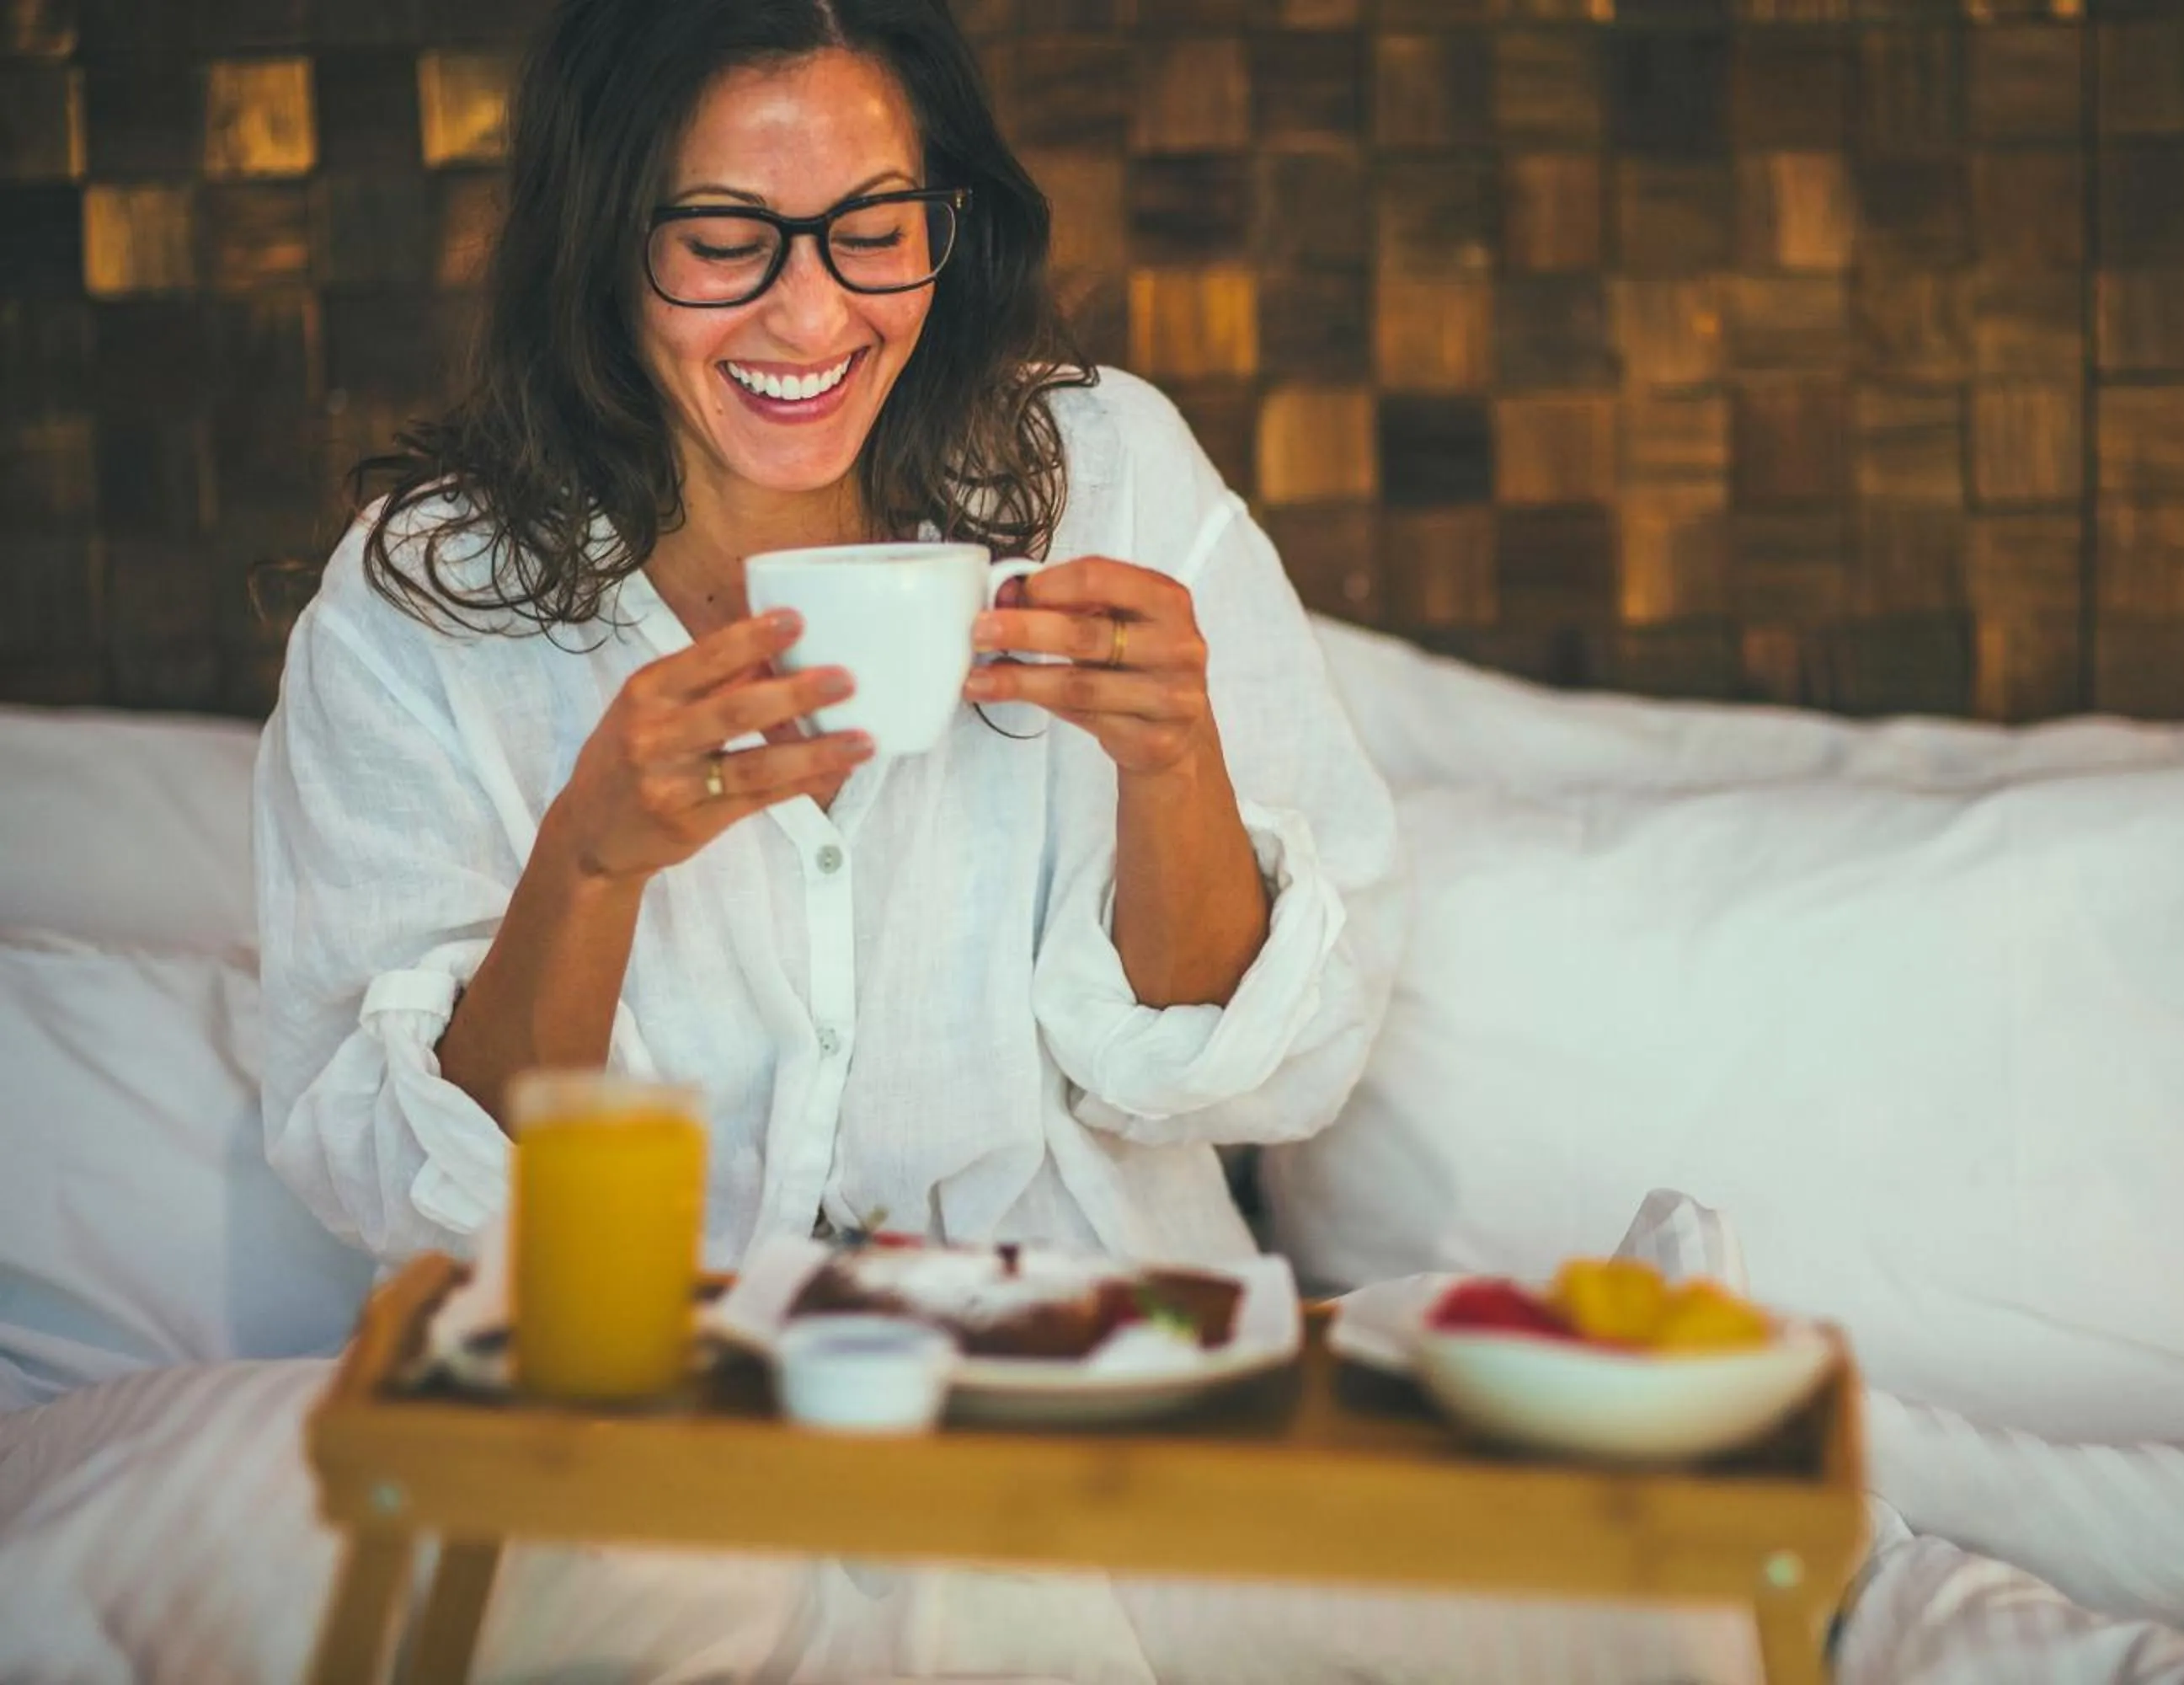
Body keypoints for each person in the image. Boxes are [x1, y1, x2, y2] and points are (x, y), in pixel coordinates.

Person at [254, 0, 1402, 1274]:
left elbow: (1260, 1076)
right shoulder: (423, 601)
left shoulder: (1110, 476)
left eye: (871, 233)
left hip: (1079, 1360)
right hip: (646, 1383)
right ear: (596, 242)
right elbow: (414, 1193)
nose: (812, 320)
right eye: (724, 241)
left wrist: (1173, 769)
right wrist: (586, 865)